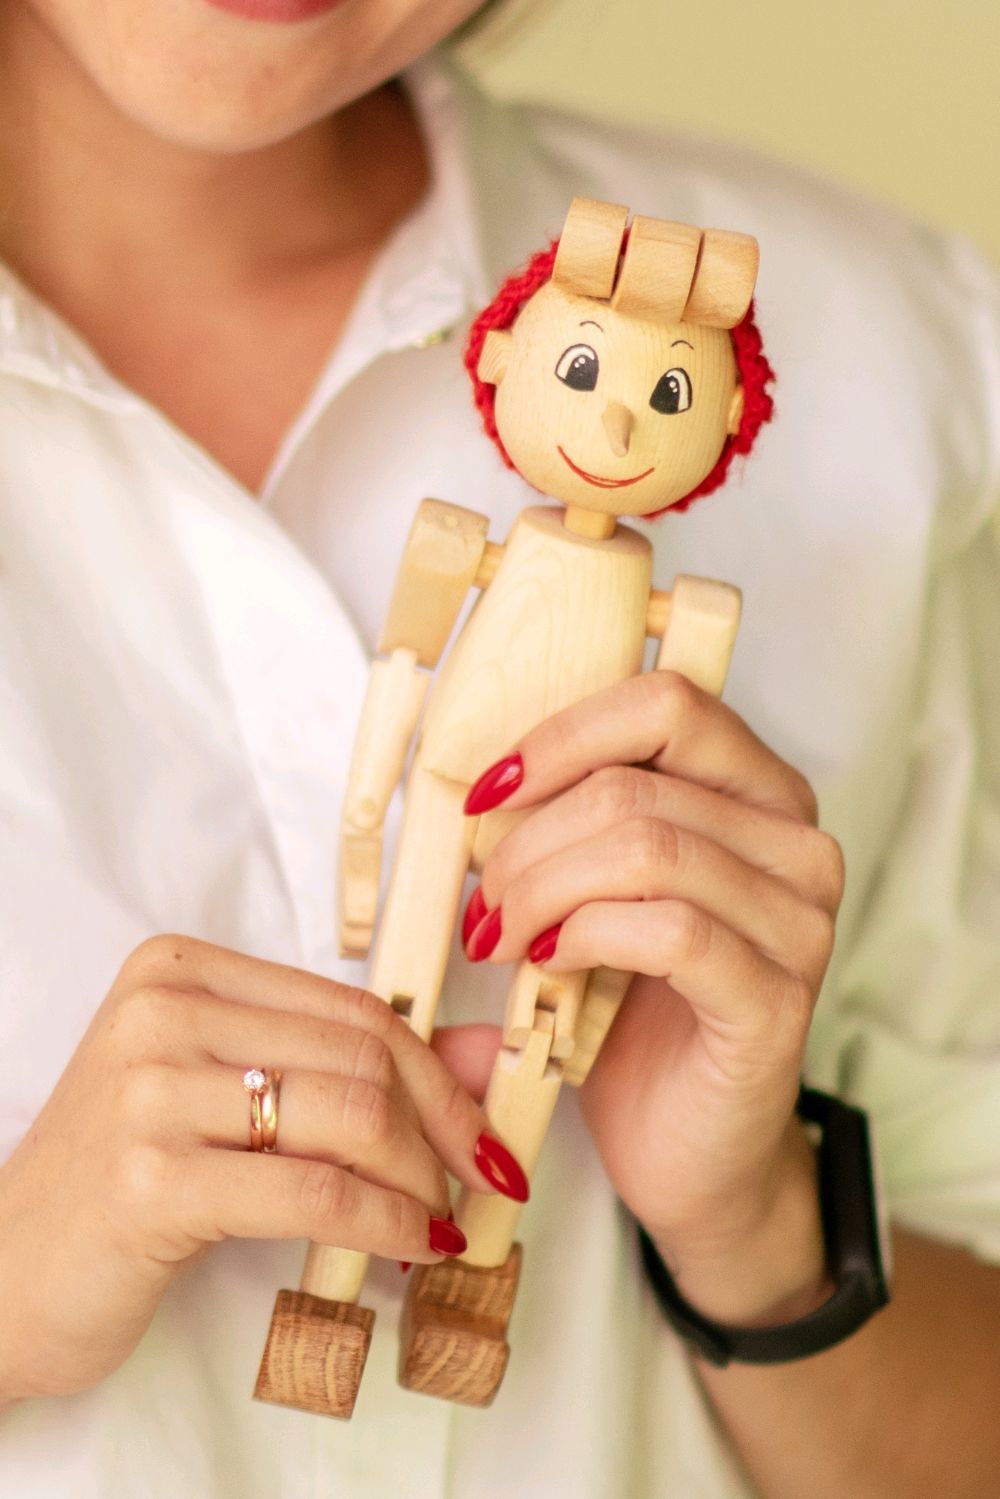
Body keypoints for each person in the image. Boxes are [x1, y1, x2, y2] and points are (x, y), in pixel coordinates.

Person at [0, 2, 997, 1496]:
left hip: (513, 892)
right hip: (444, 811)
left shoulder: (904, 366)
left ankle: (461, 1289)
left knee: (540, 1041)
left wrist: (759, 1232)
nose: (618, 427)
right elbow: (415, 669)